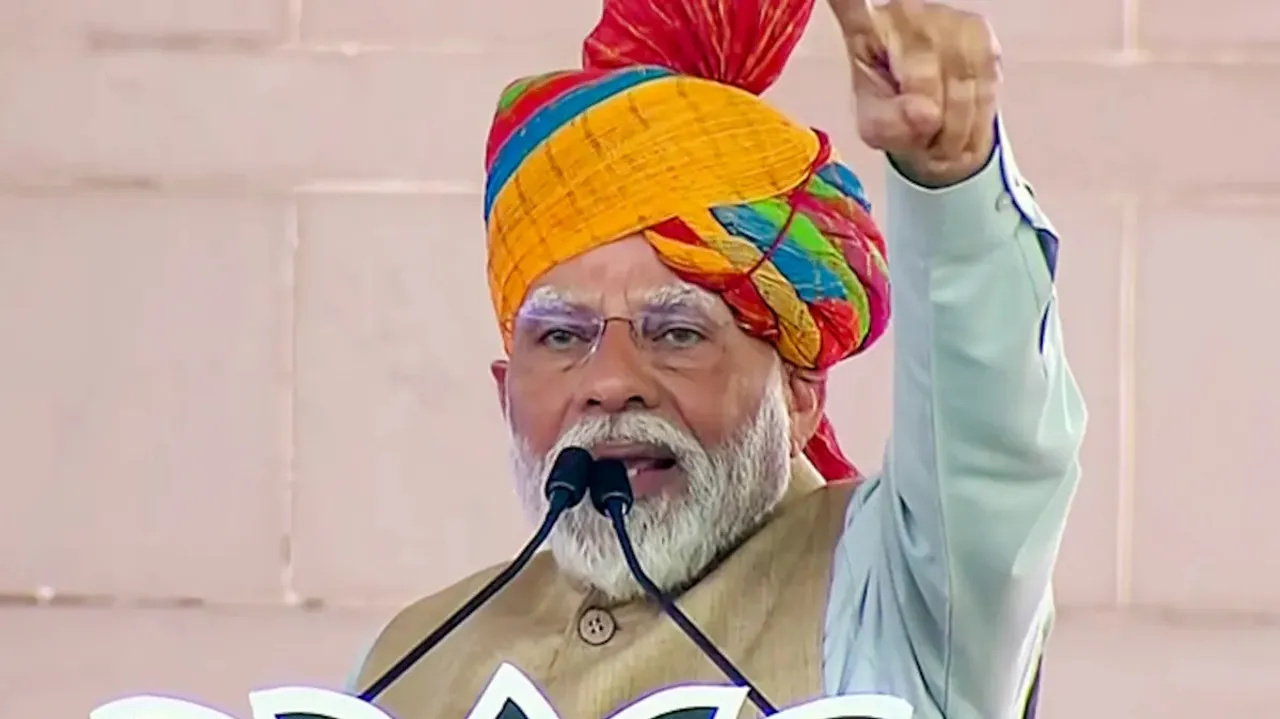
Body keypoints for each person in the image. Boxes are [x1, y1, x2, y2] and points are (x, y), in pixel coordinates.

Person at [349, 0, 1085, 717]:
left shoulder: (893, 599)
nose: (608, 383)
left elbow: (987, 451)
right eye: (563, 337)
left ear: (800, 394)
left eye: (676, 333)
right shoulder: (411, 659)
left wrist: (950, 175)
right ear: (506, 395)